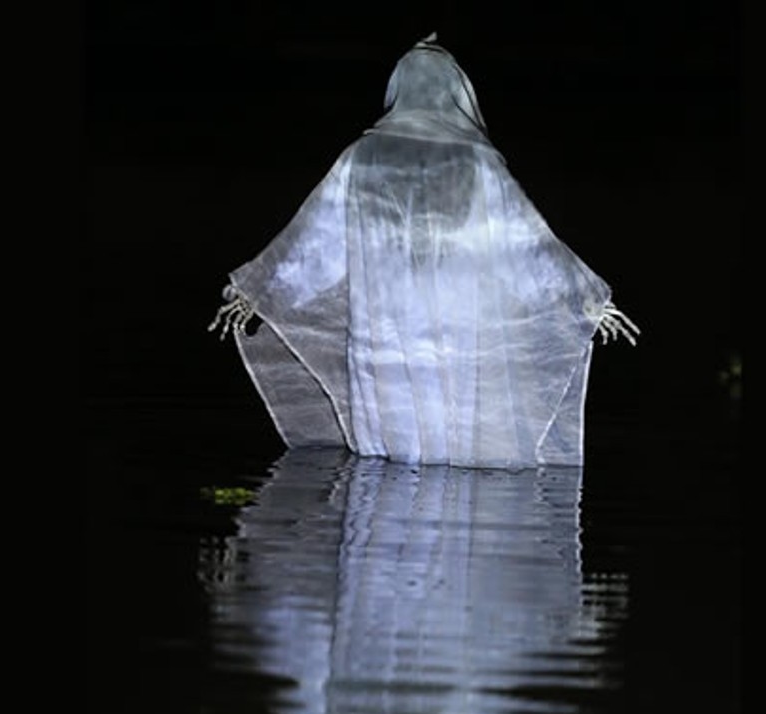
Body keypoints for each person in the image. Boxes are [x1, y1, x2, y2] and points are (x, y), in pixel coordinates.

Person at [210, 34, 639, 467]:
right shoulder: (478, 164)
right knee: (455, 429)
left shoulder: (362, 156)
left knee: (391, 440)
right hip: (459, 326)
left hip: (384, 322)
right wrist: (581, 298)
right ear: (458, 93)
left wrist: (260, 288)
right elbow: (525, 248)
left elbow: (317, 247)